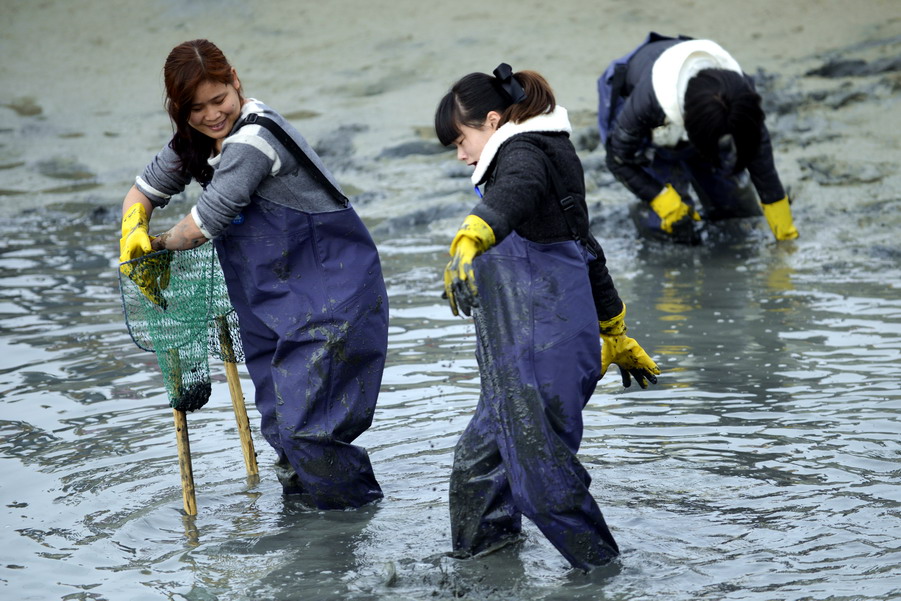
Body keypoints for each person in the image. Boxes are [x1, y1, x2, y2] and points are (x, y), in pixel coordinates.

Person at [118, 39, 388, 510]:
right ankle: (311, 546)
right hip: (270, 309)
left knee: (311, 431)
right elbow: (143, 190)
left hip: (332, 296)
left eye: (219, 99)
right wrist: (132, 229)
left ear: (235, 81)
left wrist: (156, 248)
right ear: (179, 111)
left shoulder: (254, 139)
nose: (211, 115)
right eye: (195, 108)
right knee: (282, 431)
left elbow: (205, 222)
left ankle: (356, 523)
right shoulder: (194, 142)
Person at [434, 63, 660, 571]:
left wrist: (474, 234)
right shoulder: (544, 152)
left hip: (542, 355)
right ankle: (486, 566)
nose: (461, 154)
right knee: (476, 469)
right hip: (520, 361)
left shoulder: (523, 156)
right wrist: (614, 329)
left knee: (540, 485)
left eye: (461, 139)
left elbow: (513, 193)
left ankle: (602, 571)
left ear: (492, 122)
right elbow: (587, 247)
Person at [597, 32, 799, 244]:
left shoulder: (740, 93)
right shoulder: (645, 105)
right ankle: (649, 213)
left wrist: (782, 224)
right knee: (673, 227)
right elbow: (617, 159)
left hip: (699, 116)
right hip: (638, 106)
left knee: (738, 213)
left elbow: (758, 151)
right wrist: (659, 197)